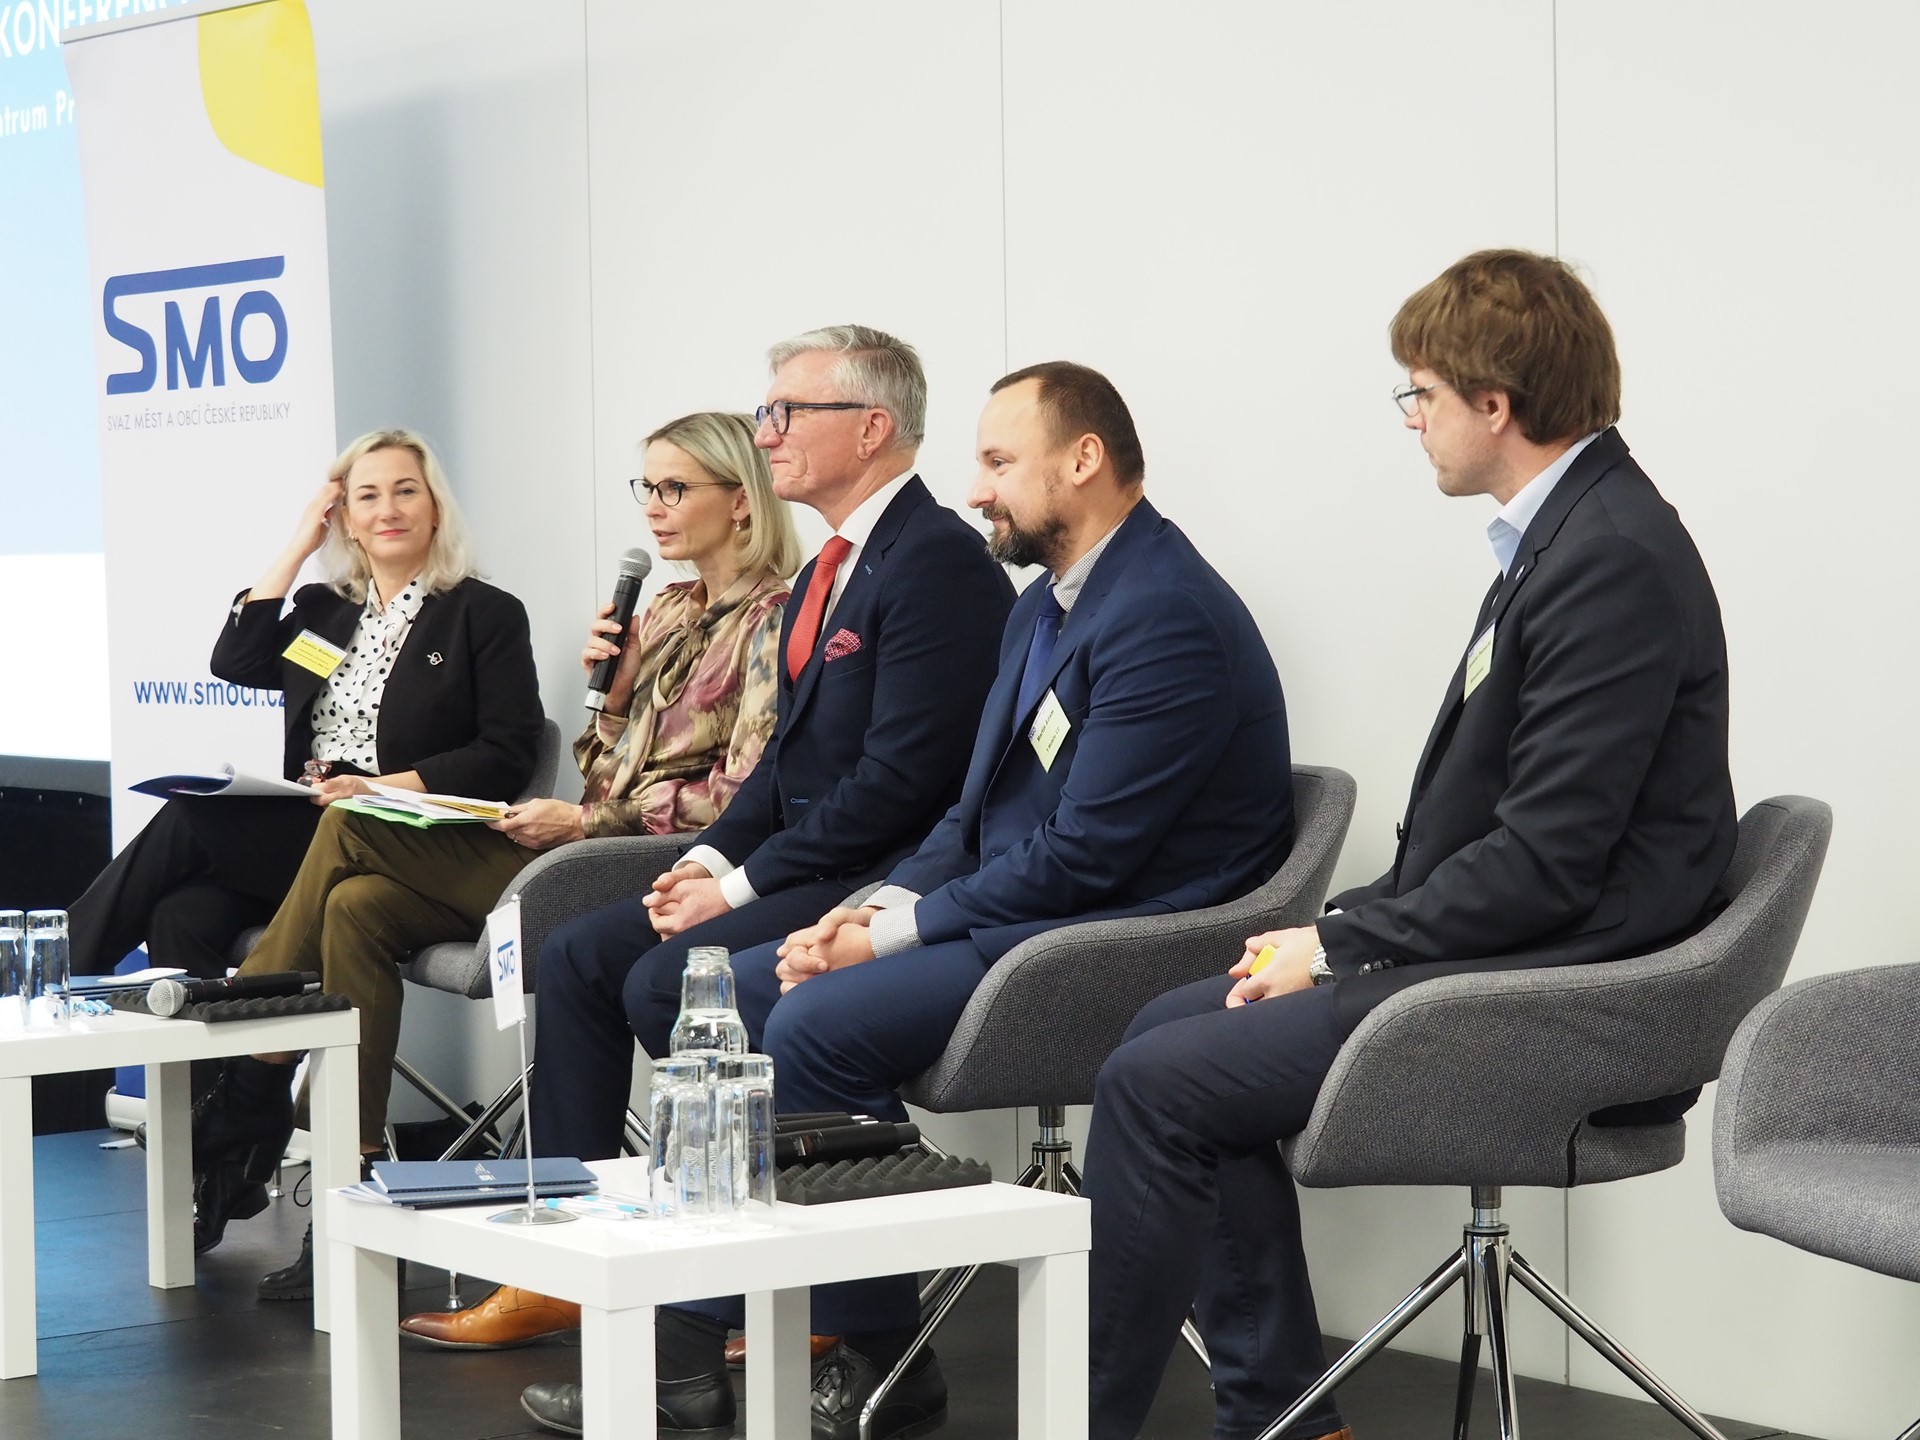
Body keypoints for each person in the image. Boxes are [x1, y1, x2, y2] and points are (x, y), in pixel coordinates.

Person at [1082, 250, 1738, 1440]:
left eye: (1422, 394)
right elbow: (1493, 833)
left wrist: (1340, 946)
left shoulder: (1609, 559)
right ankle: (1283, 1413)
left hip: (1573, 983)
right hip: (1527, 944)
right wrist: (1336, 930)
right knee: (1162, 1030)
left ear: (1495, 403)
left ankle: (1097, 1422)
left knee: (1156, 1082)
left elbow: (1544, 862)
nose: (1412, 419)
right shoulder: (1564, 537)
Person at [595, 360, 1296, 1440]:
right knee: (737, 987)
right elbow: (971, 817)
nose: (976, 489)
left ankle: (869, 1351)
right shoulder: (1044, 606)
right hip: (1025, 909)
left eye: (999, 463)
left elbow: (1088, 856)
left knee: (813, 1022)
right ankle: (804, 1338)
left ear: (1084, 460)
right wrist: (870, 908)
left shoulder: (1164, 612)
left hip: (1123, 934)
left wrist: (894, 935)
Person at [422, 326, 1013, 1402]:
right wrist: (706, 862)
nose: (767, 431)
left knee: (670, 984)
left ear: (871, 428)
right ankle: (573, 1253)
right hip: (810, 857)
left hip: (885, 872)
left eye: (787, 412)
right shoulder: (837, 561)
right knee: (584, 956)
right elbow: (785, 763)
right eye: (765, 412)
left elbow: (902, 782)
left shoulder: (935, 562)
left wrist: (740, 888)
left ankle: (746, 1292)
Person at [195, 412, 802, 1300]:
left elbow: (743, 793)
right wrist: (614, 701)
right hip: (581, 840)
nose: (653, 509)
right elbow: (604, 764)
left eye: (674, 489)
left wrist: (582, 821)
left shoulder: (774, 618)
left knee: (349, 821)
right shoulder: (668, 609)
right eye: (649, 488)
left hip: (667, 864)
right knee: (353, 907)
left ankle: (250, 1073)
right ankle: (345, 1206)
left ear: (741, 503)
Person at [67, 429, 542, 986]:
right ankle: (214, 1049)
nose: (388, 510)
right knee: (182, 914)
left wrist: (376, 788)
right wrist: (298, 546)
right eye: (367, 496)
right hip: (307, 821)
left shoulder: (483, 614)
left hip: (400, 832)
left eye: (406, 491)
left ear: (436, 509)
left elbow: (505, 753)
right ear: (346, 519)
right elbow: (237, 661)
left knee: (191, 817)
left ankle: (58, 969)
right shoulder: (328, 612)